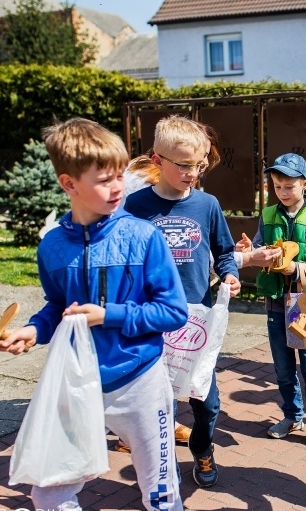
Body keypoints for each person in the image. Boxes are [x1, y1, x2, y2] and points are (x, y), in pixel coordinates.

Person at [0, 118, 189, 511]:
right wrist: (33, 331)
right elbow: (56, 307)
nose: (119, 187)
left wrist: (110, 315)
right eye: (105, 180)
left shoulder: (144, 237)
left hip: (140, 381)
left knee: (159, 491)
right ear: (69, 183)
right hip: (76, 381)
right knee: (48, 493)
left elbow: (174, 312)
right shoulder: (51, 245)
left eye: (120, 175)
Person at [124, 115, 242, 488]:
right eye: (185, 165)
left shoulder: (207, 205)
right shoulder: (135, 206)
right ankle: (160, 467)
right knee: (159, 404)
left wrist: (230, 274)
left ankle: (202, 448)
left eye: (200, 164)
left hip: (197, 323)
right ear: (157, 161)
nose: (193, 172)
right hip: (152, 324)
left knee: (206, 402)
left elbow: (223, 251)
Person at [251, 153, 306, 453]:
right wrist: (250, 251)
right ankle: (292, 416)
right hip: (275, 302)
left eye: (289, 186)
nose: (283, 192)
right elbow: (258, 250)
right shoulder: (267, 216)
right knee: (283, 366)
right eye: (277, 186)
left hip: (305, 304)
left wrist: (299, 269)